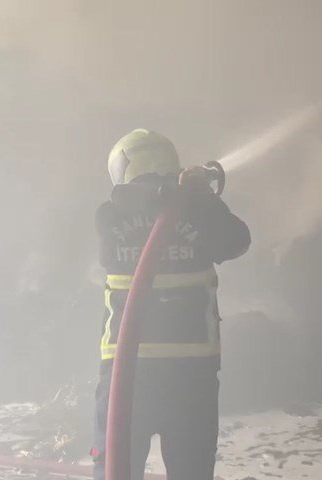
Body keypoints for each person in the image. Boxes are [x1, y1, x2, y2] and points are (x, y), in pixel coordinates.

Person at [91, 129, 250, 480]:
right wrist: (197, 202)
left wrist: (200, 199)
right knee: (188, 468)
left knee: (119, 466)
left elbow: (238, 242)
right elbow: (235, 241)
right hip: (188, 374)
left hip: (127, 371)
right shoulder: (127, 211)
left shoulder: (117, 214)